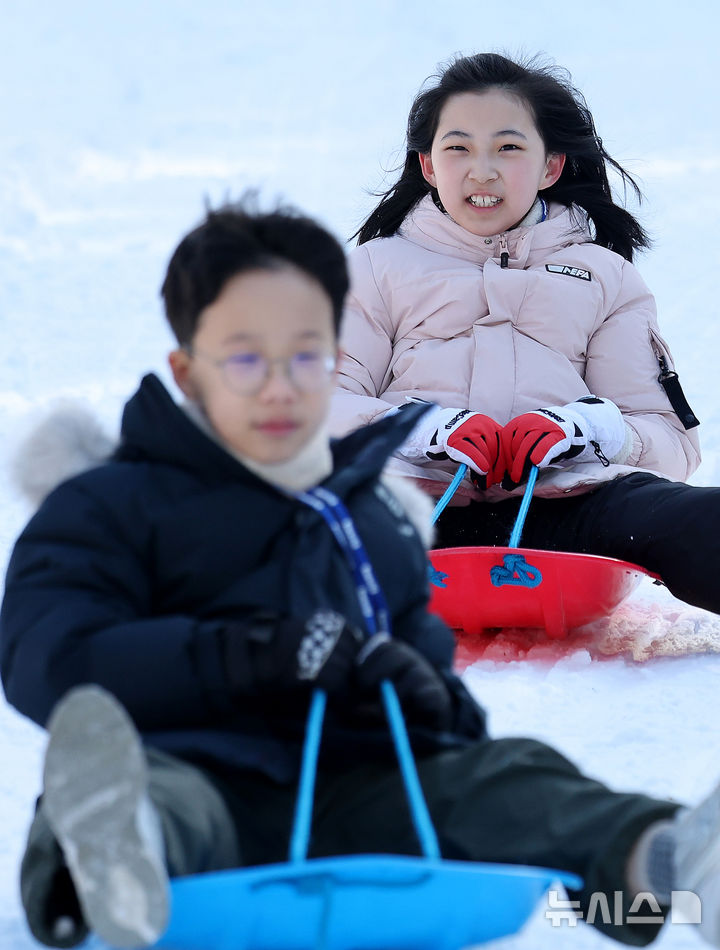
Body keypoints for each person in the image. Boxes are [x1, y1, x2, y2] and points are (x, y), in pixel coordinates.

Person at [1, 199, 720, 950]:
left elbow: (440, 716)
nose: (281, 386)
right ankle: (117, 865)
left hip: (349, 793)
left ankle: (667, 863)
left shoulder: (372, 519)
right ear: (186, 371)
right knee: (149, 796)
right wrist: (244, 655)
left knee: (509, 774)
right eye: (247, 359)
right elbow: (50, 656)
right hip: (190, 775)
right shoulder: (111, 502)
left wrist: (420, 693)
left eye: (306, 357)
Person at [329, 51, 719, 616]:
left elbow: (668, 440)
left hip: (569, 505)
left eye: (508, 148)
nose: (481, 170)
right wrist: (423, 431)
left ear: (550, 167)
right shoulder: (374, 269)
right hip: (408, 505)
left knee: (698, 521)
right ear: (430, 166)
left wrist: (586, 429)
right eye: (458, 147)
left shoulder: (605, 276)